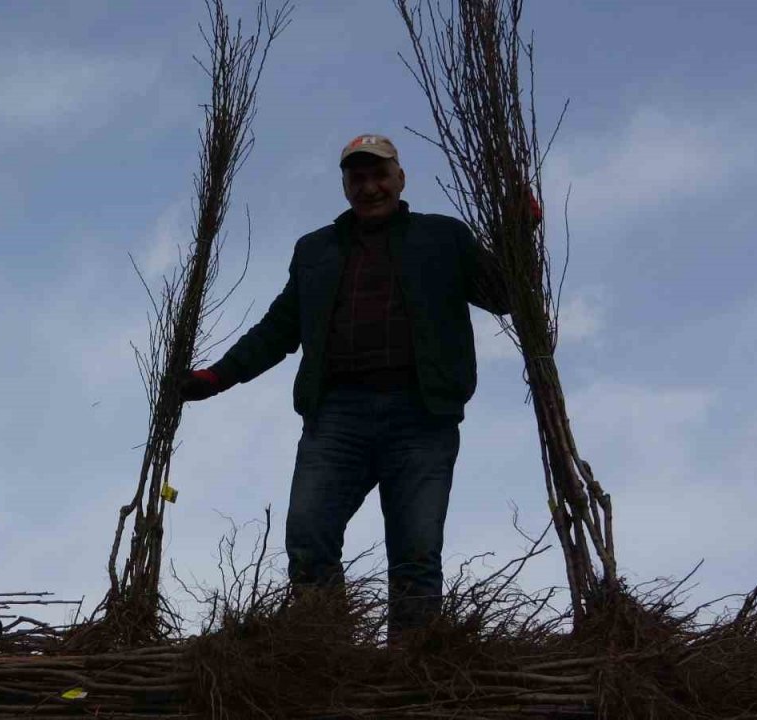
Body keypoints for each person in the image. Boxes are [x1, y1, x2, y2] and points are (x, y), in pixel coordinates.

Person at [180, 133, 540, 639]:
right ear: (346, 185)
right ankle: (324, 654)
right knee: (308, 537)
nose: (369, 187)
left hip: (422, 414)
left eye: (379, 175)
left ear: (400, 178)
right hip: (337, 416)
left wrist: (518, 228)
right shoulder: (316, 251)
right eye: (358, 178)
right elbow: (279, 330)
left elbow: (501, 294)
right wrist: (216, 377)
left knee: (416, 551)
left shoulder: (443, 238)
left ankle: (410, 670)